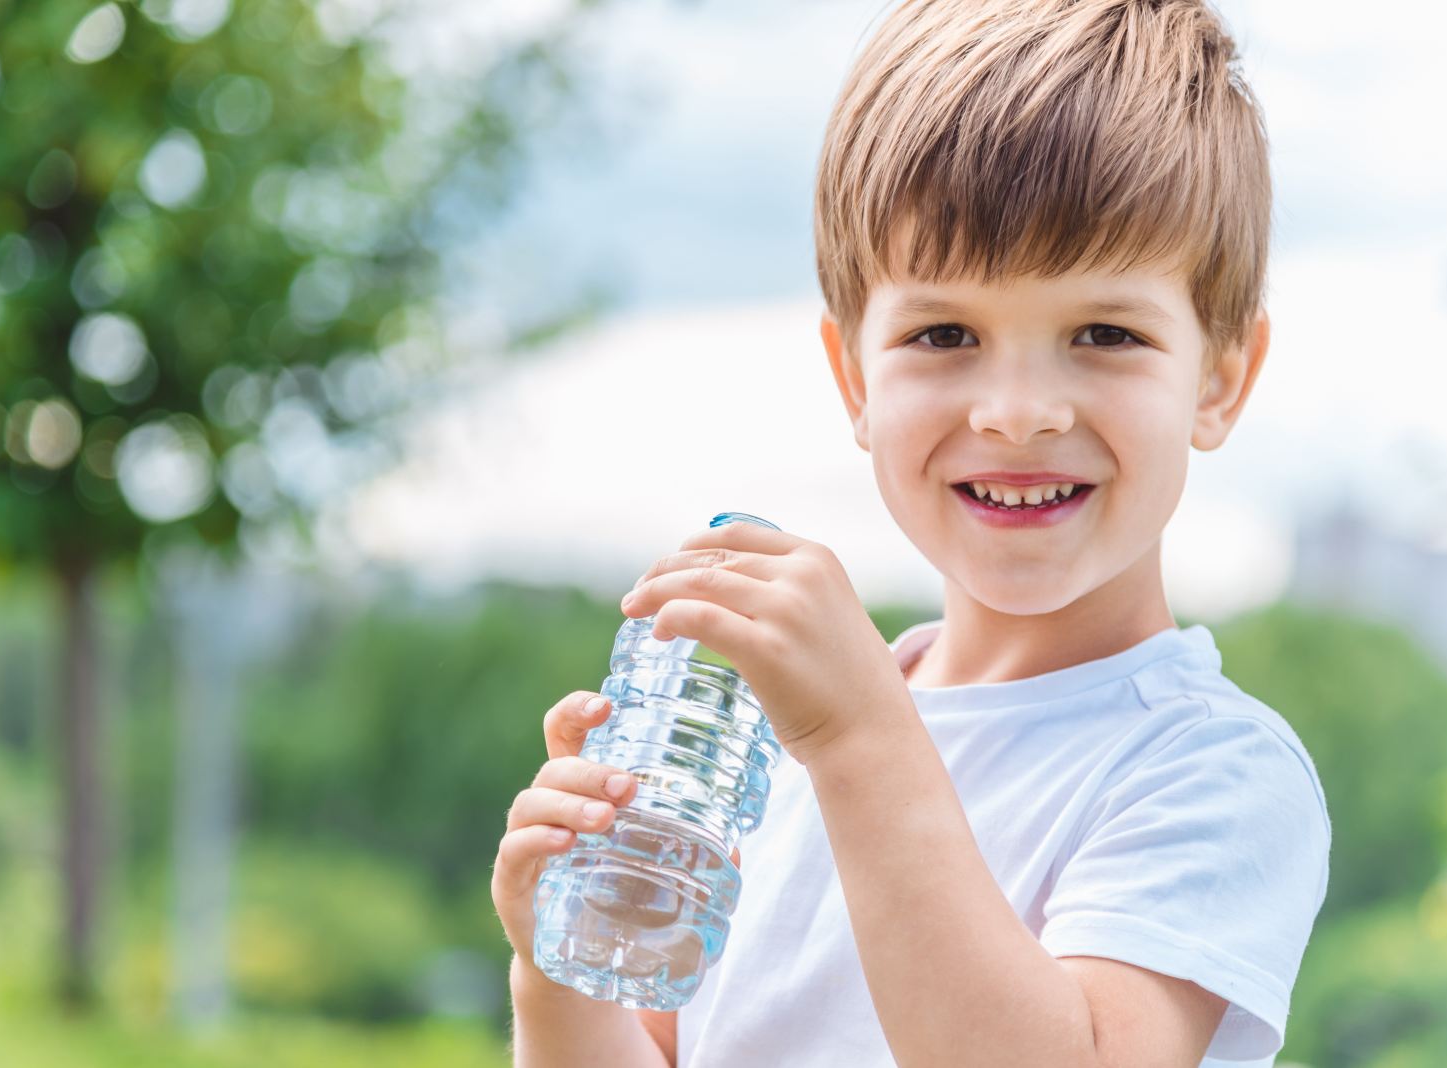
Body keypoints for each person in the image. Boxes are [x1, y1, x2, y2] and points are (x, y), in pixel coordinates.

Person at [490, 0, 1331, 1063]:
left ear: (1219, 380)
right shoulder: (785, 754)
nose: (1017, 411)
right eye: (945, 334)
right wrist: (561, 976)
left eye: (1105, 333)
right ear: (854, 378)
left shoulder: (1207, 769)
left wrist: (857, 736)